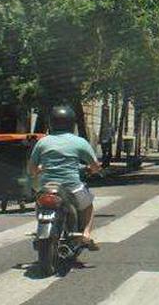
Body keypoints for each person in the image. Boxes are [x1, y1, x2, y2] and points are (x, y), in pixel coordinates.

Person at [28, 105, 102, 250]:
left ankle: (40, 227)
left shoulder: (42, 142)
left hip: (46, 185)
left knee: (40, 201)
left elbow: (31, 168)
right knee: (88, 205)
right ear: (72, 123)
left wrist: (38, 171)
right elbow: (95, 166)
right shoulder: (80, 142)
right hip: (71, 186)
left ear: (51, 123)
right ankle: (86, 233)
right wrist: (92, 170)